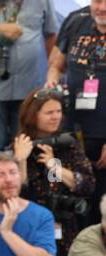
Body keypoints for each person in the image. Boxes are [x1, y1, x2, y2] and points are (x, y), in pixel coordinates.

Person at [0, 0, 62, 155]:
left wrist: (51, 69)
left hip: (29, 87)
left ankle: (23, 178)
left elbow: (51, 34)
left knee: (24, 146)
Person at [12, 87, 96, 255]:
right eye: (49, 112)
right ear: (33, 115)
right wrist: (20, 161)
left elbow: (88, 185)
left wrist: (54, 166)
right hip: (29, 227)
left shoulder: (67, 144)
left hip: (65, 227)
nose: (56, 116)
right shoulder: (20, 146)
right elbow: (15, 196)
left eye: (58, 111)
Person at [46, 0, 106, 223]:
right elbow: (55, 65)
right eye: (97, 1)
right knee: (69, 197)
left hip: (103, 137)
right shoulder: (75, 20)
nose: (102, 8)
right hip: (71, 131)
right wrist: (52, 85)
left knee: (101, 206)